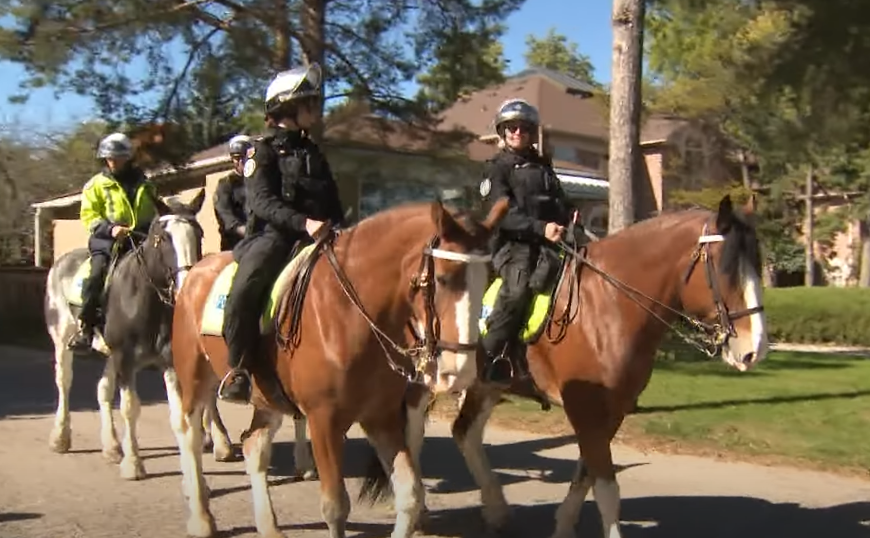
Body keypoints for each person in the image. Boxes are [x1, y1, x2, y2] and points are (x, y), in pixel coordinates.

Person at [219, 62, 346, 404]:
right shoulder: (261, 152)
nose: (316, 110)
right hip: (272, 237)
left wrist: (344, 229)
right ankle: (238, 368)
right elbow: (261, 202)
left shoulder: (314, 153)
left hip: (319, 237)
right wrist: (303, 223)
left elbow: (333, 201)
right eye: (310, 103)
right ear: (289, 106)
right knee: (246, 286)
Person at [478, 98, 575, 384]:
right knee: (517, 291)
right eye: (511, 128)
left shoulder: (543, 165)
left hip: (549, 243)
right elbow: (502, 214)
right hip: (512, 247)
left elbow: (557, 199)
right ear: (502, 132)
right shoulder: (495, 168)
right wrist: (541, 228)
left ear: (532, 132)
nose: (517, 132)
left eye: (523, 127)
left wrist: (569, 214)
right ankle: (489, 360)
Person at [68, 132, 166, 353]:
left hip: (139, 239)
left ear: (127, 158)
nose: (113, 162)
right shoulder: (96, 185)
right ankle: (87, 327)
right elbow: (89, 216)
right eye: (109, 158)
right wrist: (111, 229)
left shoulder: (145, 184)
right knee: (96, 274)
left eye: (117, 157)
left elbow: (153, 212)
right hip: (106, 241)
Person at [213, 134, 253, 251]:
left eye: (244, 157)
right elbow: (228, 218)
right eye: (236, 158)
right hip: (235, 244)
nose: (240, 162)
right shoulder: (225, 185)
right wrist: (247, 232)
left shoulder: (260, 180)